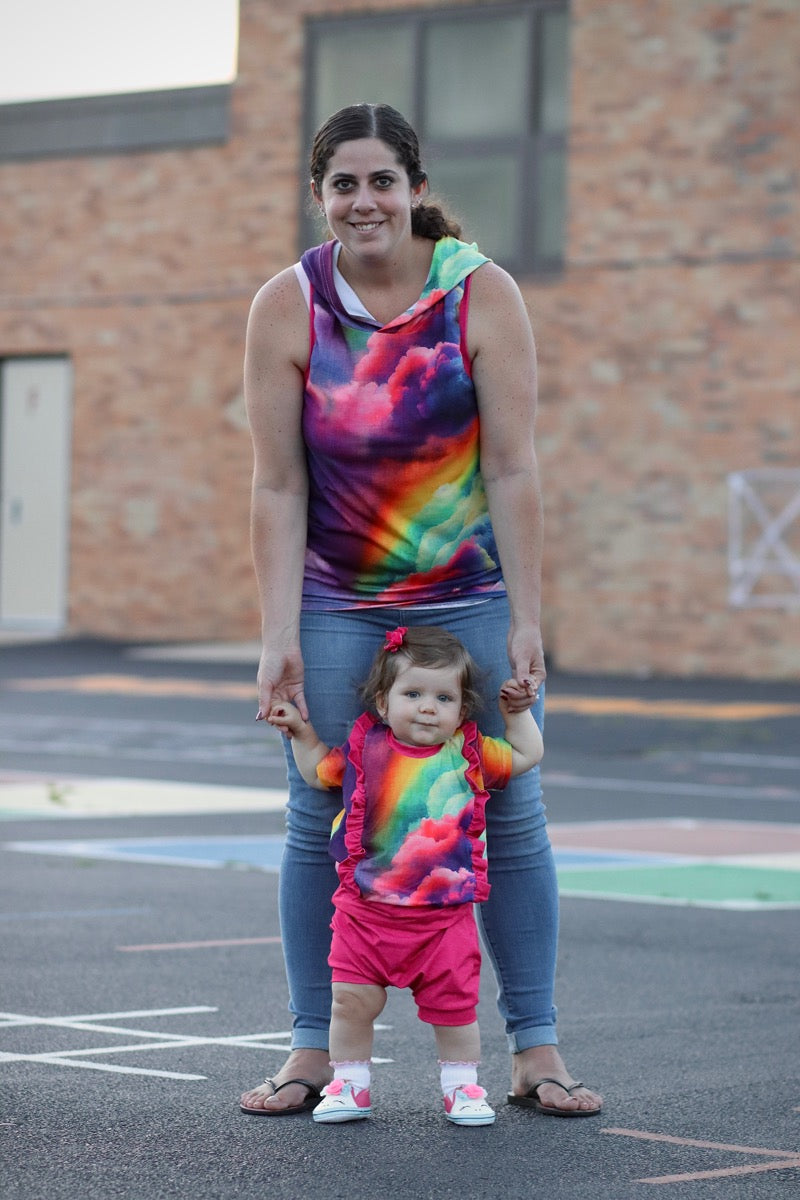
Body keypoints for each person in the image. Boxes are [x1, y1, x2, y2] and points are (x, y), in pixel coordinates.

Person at [239, 101, 602, 1119]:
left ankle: (536, 1050)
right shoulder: (288, 304)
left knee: (511, 809)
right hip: (337, 600)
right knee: (319, 812)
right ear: (319, 196)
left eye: (381, 181)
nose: (364, 201)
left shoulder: (478, 295)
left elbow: (515, 467)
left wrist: (527, 621)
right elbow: (276, 485)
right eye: (343, 184)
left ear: (415, 188)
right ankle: (312, 1050)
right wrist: (277, 638)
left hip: (469, 594)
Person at [267, 625, 544, 1125]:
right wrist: (301, 732)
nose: (426, 707)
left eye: (444, 697)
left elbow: (527, 755)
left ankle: (462, 1088)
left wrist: (516, 714)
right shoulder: (362, 749)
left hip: (443, 917)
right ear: (382, 700)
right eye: (412, 693)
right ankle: (349, 1086)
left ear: (462, 710)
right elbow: (316, 772)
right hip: (364, 911)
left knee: (455, 1009)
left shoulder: (471, 755)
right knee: (350, 1001)